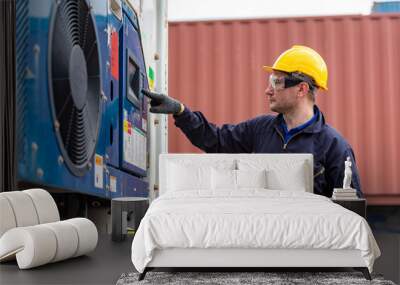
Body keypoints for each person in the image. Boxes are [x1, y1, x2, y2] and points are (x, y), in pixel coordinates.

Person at [143, 45, 362, 198]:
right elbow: (216, 140)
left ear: (301, 89)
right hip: (263, 246)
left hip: (308, 255)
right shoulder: (260, 129)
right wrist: (181, 112)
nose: (267, 90)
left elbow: (350, 213)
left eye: (276, 82)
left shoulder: (335, 147)